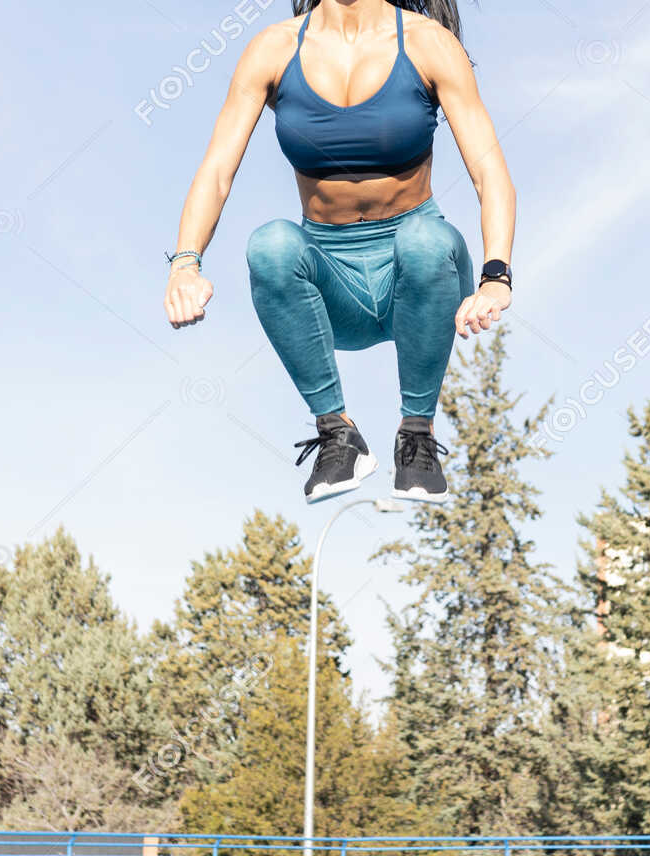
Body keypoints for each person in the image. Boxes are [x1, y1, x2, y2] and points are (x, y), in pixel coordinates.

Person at [163, 0, 515, 503]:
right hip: (331, 290)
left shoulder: (429, 44)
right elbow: (217, 169)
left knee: (425, 241)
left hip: (418, 279)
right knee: (271, 244)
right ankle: (337, 433)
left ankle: (417, 435)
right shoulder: (273, 50)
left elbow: (490, 172)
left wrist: (496, 276)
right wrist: (184, 263)